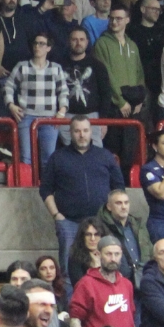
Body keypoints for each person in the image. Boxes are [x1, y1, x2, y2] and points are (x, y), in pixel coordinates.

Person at [40, 116, 125, 271]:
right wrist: (56, 215)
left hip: (102, 223)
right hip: (69, 223)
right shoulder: (58, 157)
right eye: (77, 131)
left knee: (107, 266)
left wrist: (112, 215)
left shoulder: (105, 156)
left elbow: (119, 188)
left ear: (91, 131)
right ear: (70, 132)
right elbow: (45, 189)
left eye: (85, 130)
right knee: (68, 269)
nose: (82, 134)